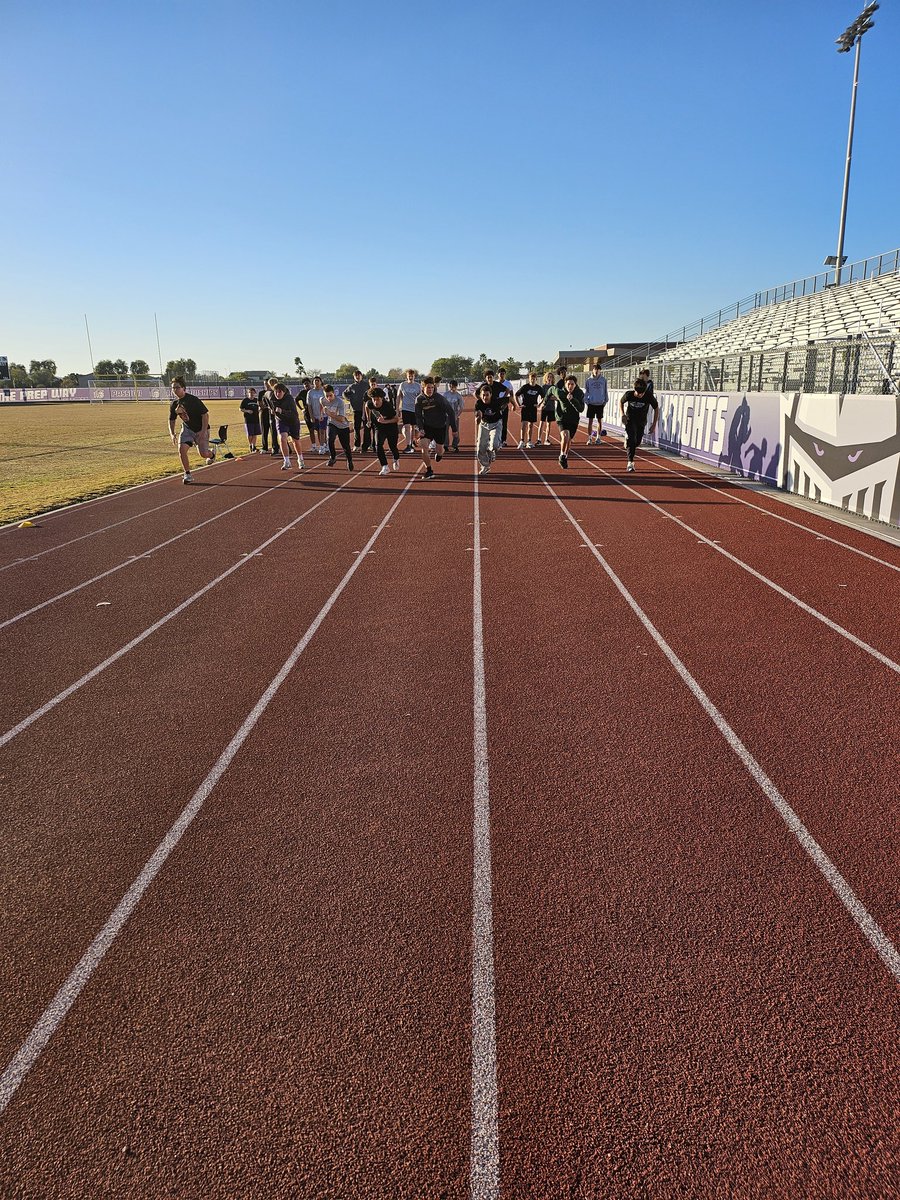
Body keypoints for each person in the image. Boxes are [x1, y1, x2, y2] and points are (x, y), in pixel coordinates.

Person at [168, 377, 216, 483]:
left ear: (184, 388)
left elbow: (205, 415)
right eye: (173, 388)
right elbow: (171, 420)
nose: (175, 390)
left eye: (177, 387)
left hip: (201, 428)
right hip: (187, 429)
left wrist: (202, 432)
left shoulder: (193, 400)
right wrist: (172, 433)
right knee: (182, 449)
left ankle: (211, 454)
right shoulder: (174, 404)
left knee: (203, 454)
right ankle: (187, 474)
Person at [414, 376, 456, 481]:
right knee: (424, 447)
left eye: (432, 387)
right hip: (427, 427)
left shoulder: (439, 398)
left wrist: (454, 429)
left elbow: (450, 412)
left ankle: (439, 454)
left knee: (440, 450)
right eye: (428, 387)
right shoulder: (419, 399)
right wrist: (421, 428)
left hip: (440, 426)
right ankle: (429, 470)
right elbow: (418, 416)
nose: (430, 390)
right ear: (423, 388)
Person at [620, 377, 659, 472]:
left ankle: (628, 439)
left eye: (642, 394)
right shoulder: (629, 394)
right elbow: (621, 402)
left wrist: (654, 424)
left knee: (637, 442)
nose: (639, 395)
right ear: (634, 390)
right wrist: (623, 414)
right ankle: (630, 462)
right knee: (632, 439)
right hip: (630, 419)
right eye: (638, 393)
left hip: (641, 421)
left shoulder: (648, 396)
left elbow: (656, 408)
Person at [366, 385, 401, 475]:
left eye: (378, 399)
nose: (376, 402)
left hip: (391, 427)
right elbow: (367, 407)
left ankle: (396, 458)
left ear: (382, 399)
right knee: (378, 445)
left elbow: (397, 419)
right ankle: (385, 466)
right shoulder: (370, 403)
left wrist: (385, 421)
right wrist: (369, 419)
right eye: (374, 399)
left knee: (392, 447)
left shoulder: (387, 406)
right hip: (379, 427)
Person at [272, 382, 305, 471]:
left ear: (284, 392)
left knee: (295, 441)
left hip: (292, 421)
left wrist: (282, 411)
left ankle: (300, 459)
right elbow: (266, 400)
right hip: (281, 421)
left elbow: (294, 414)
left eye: (279, 392)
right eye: (275, 392)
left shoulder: (289, 399)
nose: (277, 394)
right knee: (282, 438)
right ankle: (286, 461)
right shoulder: (272, 398)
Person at [474, 381, 505, 476]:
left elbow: (509, 398)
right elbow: (477, 420)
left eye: (487, 395)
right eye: (483, 395)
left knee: (495, 444)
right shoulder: (478, 403)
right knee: (480, 448)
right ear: (480, 395)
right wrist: (478, 418)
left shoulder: (496, 401)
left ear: (491, 395)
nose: (485, 397)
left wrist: (514, 405)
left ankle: (492, 450)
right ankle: (485, 466)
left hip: (496, 423)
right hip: (484, 424)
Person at [554, 375, 584, 469]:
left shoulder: (579, 393)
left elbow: (581, 409)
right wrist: (545, 400)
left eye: (572, 384)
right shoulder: (561, 391)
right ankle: (562, 455)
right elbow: (551, 390)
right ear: (565, 384)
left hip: (574, 419)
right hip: (562, 417)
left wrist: (572, 400)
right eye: (568, 384)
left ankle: (565, 456)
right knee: (565, 436)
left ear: (575, 385)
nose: (570, 386)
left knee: (569, 439)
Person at [515, 372, 543, 449]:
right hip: (525, 408)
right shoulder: (525, 387)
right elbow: (516, 395)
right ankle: (522, 441)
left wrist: (539, 404)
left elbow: (544, 397)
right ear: (529, 378)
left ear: (536, 379)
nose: (533, 379)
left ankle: (529, 441)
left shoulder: (538, 388)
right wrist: (519, 404)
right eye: (531, 378)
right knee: (524, 425)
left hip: (533, 408)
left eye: (534, 378)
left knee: (531, 425)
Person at [344, 369, 369, 452]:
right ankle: (357, 444)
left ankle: (366, 444)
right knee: (356, 428)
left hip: (366, 410)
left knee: (367, 427)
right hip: (356, 410)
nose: (357, 377)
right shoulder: (351, 386)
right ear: (354, 377)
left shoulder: (366, 385)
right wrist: (349, 399)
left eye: (359, 375)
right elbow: (344, 394)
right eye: (356, 376)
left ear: (361, 376)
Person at [584, 364, 609, 443]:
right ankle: (590, 438)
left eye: (598, 370)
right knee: (590, 421)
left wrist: (605, 400)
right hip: (591, 403)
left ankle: (598, 438)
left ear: (600, 371)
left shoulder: (603, 380)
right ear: (592, 370)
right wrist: (586, 401)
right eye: (595, 369)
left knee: (599, 421)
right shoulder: (588, 380)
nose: (596, 371)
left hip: (600, 404)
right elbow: (586, 391)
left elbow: (605, 391)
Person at [398, 368, 420, 453]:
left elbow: (420, 398)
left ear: (414, 376)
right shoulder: (403, 385)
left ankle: (411, 444)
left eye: (412, 376)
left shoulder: (418, 386)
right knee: (407, 427)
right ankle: (408, 445)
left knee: (413, 428)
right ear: (406, 376)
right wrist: (397, 409)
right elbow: (398, 397)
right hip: (405, 409)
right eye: (409, 376)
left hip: (415, 409)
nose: (410, 378)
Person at [259, 377, 281, 456]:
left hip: (280, 414)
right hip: (271, 414)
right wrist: (270, 408)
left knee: (280, 431)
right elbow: (263, 403)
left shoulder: (279, 391)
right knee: (274, 431)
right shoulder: (266, 393)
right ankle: (275, 448)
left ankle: (281, 447)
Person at [306, 376, 327, 453]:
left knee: (322, 430)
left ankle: (322, 447)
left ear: (321, 382)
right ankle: (324, 444)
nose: (316, 382)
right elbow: (309, 405)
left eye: (318, 381)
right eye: (315, 381)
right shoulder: (310, 392)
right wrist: (311, 416)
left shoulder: (324, 391)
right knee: (318, 431)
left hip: (324, 415)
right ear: (313, 383)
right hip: (315, 415)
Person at [536, 370, 557, 446]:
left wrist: (549, 397)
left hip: (551, 408)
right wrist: (540, 404)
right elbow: (543, 397)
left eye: (551, 377)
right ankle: (539, 439)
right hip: (544, 407)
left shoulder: (554, 387)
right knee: (541, 423)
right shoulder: (543, 387)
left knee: (549, 424)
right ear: (545, 378)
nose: (549, 378)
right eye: (548, 377)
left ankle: (546, 439)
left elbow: (556, 397)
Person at [497, 367, 515, 447]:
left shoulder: (508, 384)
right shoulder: (495, 383)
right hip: (496, 405)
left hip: (504, 405)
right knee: (496, 423)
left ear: (505, 374)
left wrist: (510, 403)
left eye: (503, 374)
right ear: (498, 374)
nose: (502, 375)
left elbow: (511, 394)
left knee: (504, 423)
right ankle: (496, 440)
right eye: (500, 374)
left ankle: (503, 440)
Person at [240, 387, 261, 452]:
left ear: (255, 393)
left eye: (252, 392)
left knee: (255, 433)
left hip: (256, 419)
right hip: (248, 420)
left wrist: (259, 410)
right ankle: (250, 445)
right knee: (250, 434)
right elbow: (241, 409)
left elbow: (260, 407)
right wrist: (247, 411)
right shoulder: (245, 400)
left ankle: (253, 446)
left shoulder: (256, 400)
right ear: (248, 393)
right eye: (250, 392)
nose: (251, 394)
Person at [446, 380, 465, 452]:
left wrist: (457, 415)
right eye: (450, 386)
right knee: (445, 431)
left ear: (456, 387)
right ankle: (445, 445)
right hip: (447, 416)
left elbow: (461, 407)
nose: (452, 387)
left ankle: (455, 445)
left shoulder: (458, 396)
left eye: (453, 386)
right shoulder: (445, 394)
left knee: (455, 431)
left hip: (455, 416)